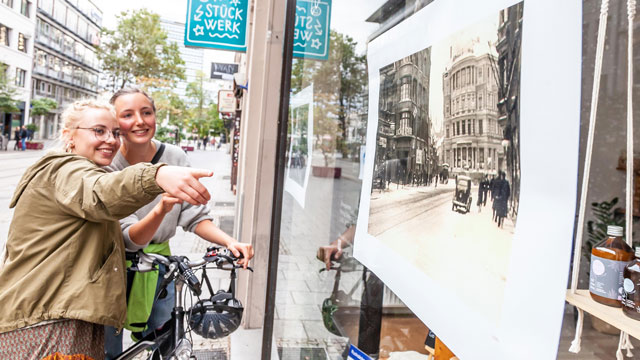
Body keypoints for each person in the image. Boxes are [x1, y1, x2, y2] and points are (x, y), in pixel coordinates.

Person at [0, 99, 214, 359]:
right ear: (69, 136)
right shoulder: (64, 170)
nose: (111, 140)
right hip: (47, 320)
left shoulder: (79, 170)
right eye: (98, 131)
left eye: (115, 133)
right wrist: (156, 175)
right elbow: (101, 192)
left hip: (62, 315)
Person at [104, 87, 254, 359]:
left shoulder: (175, 156)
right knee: (108, 349)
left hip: (160, 269)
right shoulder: (109, 161)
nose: (140, 121)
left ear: (155, 117)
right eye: (127, 115)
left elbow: (194, 216)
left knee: (166, 341)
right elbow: (129, 239)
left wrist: (230, 242)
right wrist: (161, 209)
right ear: (115, 124)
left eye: (146, 112)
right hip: (111, 270)